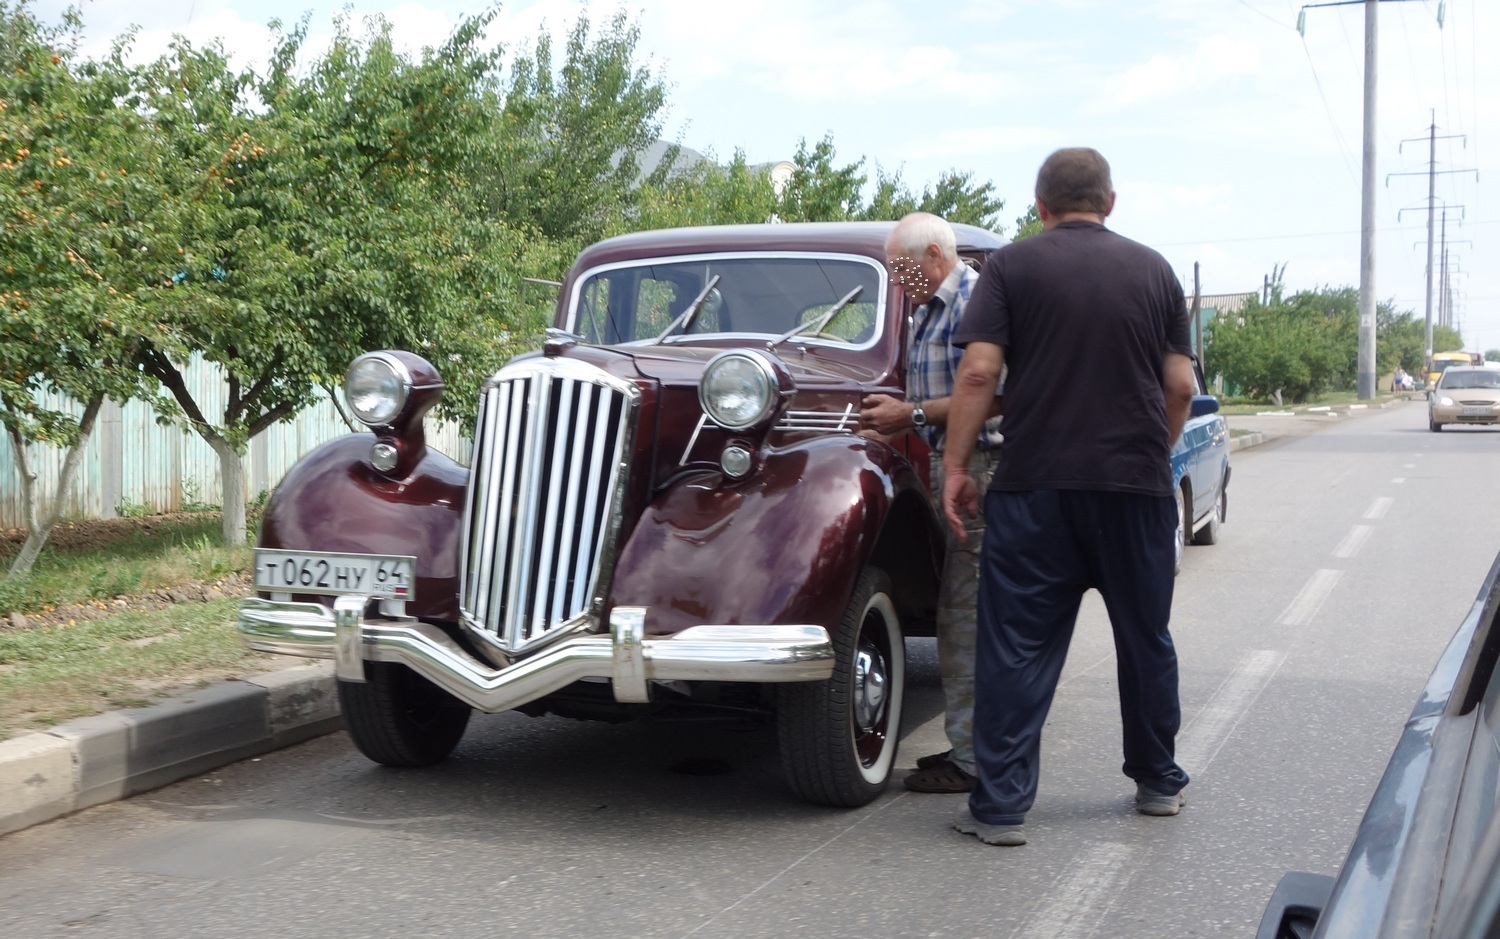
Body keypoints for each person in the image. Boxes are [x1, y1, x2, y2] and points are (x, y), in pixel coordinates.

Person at [939, 148, 1196, 846]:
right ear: (1110, 202)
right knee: (1146, 639)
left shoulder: (1012, 268)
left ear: (1040, 206)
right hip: (1133, 489)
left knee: (1016, 646)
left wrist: (955, 467)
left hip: (1034, 488)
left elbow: (978, 373)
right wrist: (1154, 450)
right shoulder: (1155, 271)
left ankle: (1000, 808)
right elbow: (1179, 385)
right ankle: (1156, 782)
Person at [858, 212, 1004, 794]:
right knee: (962, 613)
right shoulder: (929, 309)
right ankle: (971, 741)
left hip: (981, 468)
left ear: (935, 257)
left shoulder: (975, 304)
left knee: (966, 617)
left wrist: (910, 417)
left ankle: (973, 761)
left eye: (900, 269)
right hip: (958, 463)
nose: (895, 282)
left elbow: (997, 396)